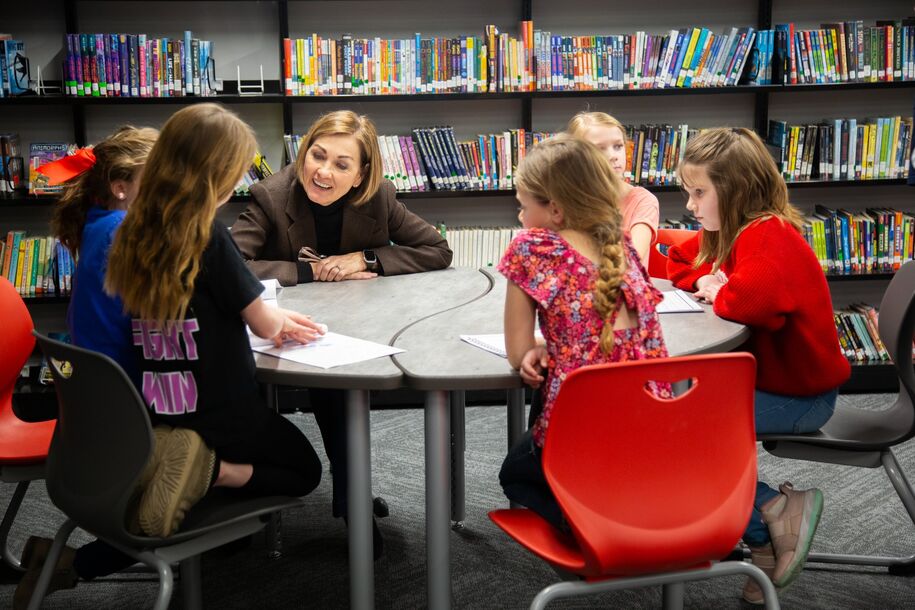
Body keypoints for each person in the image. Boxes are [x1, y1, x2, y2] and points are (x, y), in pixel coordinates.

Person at [231, 110, 453, 555]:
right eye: (317, 155)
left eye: (341, 164)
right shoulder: (272, 195)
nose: (323, 172)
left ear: (362, 175)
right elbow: (231, 263)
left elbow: (436, 249)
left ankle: (351, 495)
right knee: (333, 390)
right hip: (280, 332)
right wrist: (307, 271)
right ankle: (343, 499)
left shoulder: (379, 197)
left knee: (341, 386)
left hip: (350, 328)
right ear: (305, 151)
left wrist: (367, 260)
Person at [105, 103, 325, 540]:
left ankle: (181, 465)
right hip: (223, 412)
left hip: (162, 406)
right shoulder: (207, 234)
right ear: (216, 178)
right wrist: (277, 319)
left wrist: (270, 314)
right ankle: (210, 471)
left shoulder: (132, 230)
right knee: (304, 470)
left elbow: (203, 307)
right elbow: (263, 326)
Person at [666, 127, 851, 604]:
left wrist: (718, 290)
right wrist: (710, 278)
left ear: (737, 190)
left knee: (678, 431)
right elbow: (675, 258)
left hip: (800, 398)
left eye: (699, 192)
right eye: (689, 192)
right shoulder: (733, 232)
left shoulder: (770, 236)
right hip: (770, 384)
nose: (690, 204)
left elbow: (752, 304)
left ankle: (772, 507)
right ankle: (762, 533)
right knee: (674, 415)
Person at [14, 126, 159, 610]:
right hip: (130, 415)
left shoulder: (100, 225)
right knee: (202, 470)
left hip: (101, 408)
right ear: (121, 186)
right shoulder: (123, 233)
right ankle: (73, 565)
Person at [497, 134, 669, 531]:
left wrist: (539, 347)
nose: (520, 218)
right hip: (656, 436)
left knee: (514, 472)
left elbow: (515, 352)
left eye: (523, 207)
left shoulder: (532, 249)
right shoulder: (621, 243)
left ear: (555, 210)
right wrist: (559, 343)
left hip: (580, 446)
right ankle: (631, 511)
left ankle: (597, 524)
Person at [566, 111, 660, 267]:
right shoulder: (569, 200)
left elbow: (631, 260)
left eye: (618, 146)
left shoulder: (643, 201)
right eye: (600, 149)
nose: (613, 155)